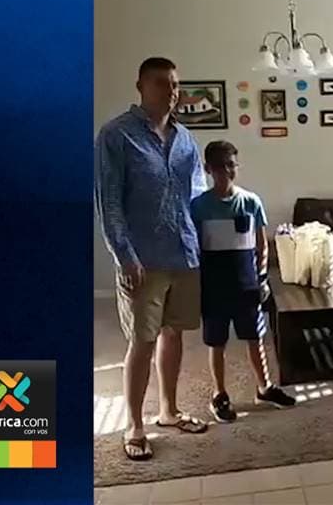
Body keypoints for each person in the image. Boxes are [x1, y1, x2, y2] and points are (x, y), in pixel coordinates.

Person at [95, 57, 208, 461]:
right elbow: (109, 203)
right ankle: (134, 424)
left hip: (184, 254)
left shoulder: (185, 139)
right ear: (140, 86)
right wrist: (124, 256)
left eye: (175, 84)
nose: (170, 91)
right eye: (161, 83)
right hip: (142, 260)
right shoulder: (117, 135)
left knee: (174, 333)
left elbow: (196, 195)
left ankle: (169, 411)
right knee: (142, 340)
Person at [191, 140, 296, 423]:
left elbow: (261, 245)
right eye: (219, 166)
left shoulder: (251, 202)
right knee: (217, 342)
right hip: (213, 286)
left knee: (255, 337)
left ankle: (265, 388)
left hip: (246, 284)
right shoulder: (198, 206)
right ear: (208, 169)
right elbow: (195, 248)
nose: (226, 171)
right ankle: (219, 394)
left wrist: (261, 279)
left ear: (237, 166)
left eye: (231, 165)